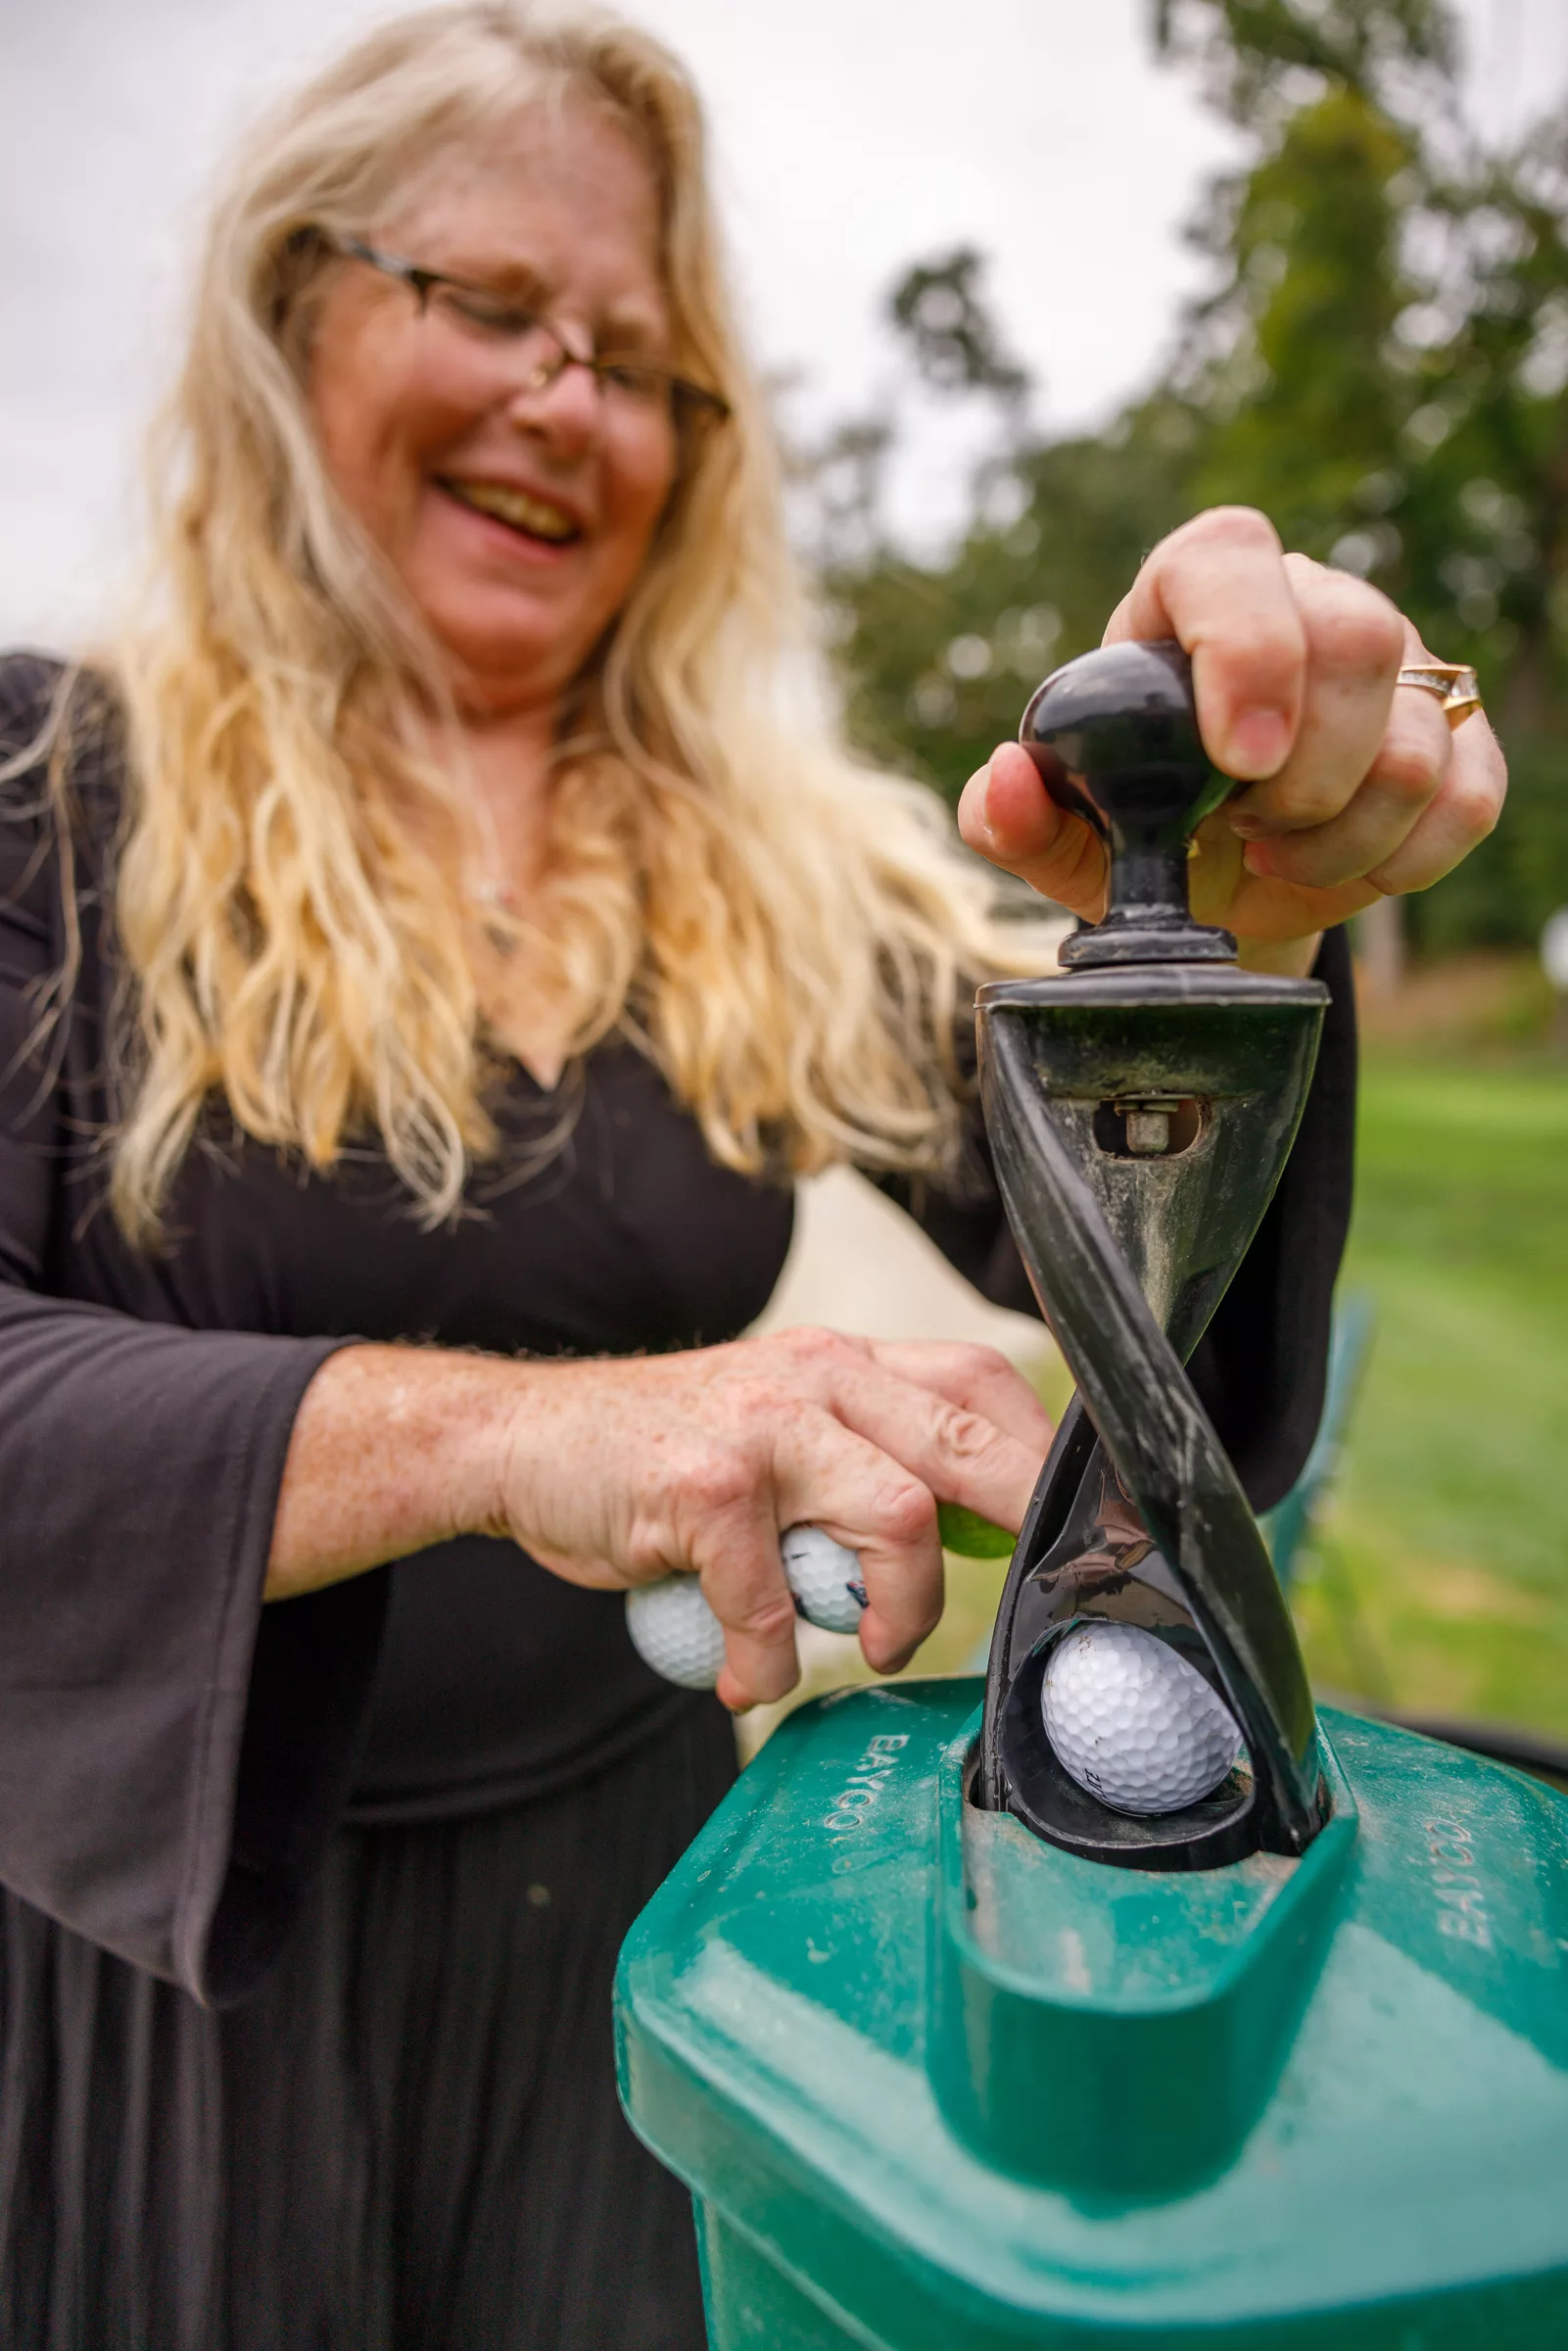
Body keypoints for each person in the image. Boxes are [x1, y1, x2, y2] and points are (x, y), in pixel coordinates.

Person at [0, 6, 1503, 2347]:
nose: (567, 403)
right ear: (293, 311)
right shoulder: (42, 797)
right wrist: (517, 1435)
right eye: (491, 305)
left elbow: (1163, 1337)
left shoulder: (775, 872)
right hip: (154, 2004)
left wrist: (1234, 926)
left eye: (641, 366)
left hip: (641, 1950)